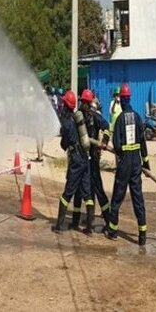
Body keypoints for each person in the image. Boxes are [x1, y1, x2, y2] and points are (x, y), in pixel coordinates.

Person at [106, 83, 149, 245]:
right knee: (138, 198)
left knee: (117, 198)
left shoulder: (119, 120)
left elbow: (116, 145)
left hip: (124, 164)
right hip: (137, 163)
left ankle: (112, 231)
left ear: (121, 100)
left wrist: (121, 152)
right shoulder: (137, 117)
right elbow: (143, 142)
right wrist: (146, 163)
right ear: (129, 98)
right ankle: (142, 235)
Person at [52, 90, 95, 234]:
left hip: (76, 160)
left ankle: (58, 225)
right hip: (84, 158)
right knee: (87, 194)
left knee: (67, 193)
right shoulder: (77, 120)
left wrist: (64, 142)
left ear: (65, 105)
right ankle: (89, 228)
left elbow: (64, 144)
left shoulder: (67, 123)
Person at [71, 89, 112, 232]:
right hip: (85, 158)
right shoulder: (80, 117)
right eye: (84, 102)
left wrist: (104, 141)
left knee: (93, 189)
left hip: (90, 158)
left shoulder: (93, 117)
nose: (84, 105)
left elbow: (106, 127)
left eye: (85, 102)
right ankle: (80, 221)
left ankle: (107, 220)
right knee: (83, 190)